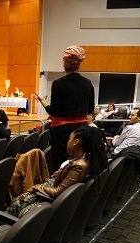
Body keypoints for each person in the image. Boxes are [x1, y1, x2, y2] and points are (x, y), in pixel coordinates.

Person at [6, 126, 108, 217]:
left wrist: (35, 187)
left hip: (54, 202)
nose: (67, 142)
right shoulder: (86, 159)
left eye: (69, 139)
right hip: (58, 194)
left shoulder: (79, 165)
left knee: (16, 205)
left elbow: (58, 193)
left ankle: (3, 232)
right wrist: (62, 174)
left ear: (76, 142)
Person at [35, 45, 95, 173]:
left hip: (62, 132)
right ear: (79, 64)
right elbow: (90, 109)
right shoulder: (88, 83)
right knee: (78, 161)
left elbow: (54, 111)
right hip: (82, 130)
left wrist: (42, 101)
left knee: (60, 164)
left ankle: (59, 189)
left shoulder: (58, 83)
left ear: (64, 63)